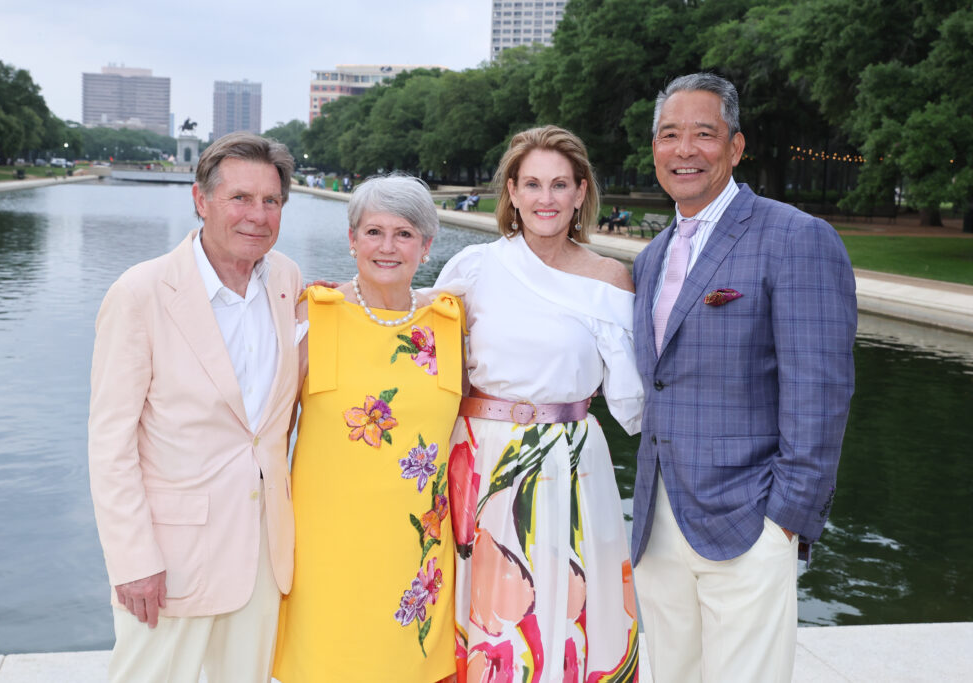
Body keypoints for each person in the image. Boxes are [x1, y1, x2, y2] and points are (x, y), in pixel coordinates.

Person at [630, 73, 857, 682]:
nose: (684, 149)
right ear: (654, 148)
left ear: (735, 147)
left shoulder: (797, 238)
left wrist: (785, 520)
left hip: (750, 519)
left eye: (703, 134)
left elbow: (820, 393)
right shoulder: (650, 258)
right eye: (669, 134)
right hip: (658, 521)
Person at [88, 132, 302, 683]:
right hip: (170, 558)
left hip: (264, 551)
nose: (257, 215)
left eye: (271, 200)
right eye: (240, 198)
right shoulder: (140, 293)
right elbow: (110, 446)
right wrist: (133, 560)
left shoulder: (286, 279)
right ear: (200, 200)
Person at [435, 125, 644, 681]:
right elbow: (428, 356)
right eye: (531, 184)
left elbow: (633, 400)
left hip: (571, 463)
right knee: (490, 610)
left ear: (580, 192)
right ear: (512, 191)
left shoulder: (609, 280)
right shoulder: (475, 267)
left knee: (569, 604)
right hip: (481, 459)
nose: (544, 199)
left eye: (559, 184)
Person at [271, 174, 463, 682]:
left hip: (413, 552)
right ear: (352, 239)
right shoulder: (313, 315)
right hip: (325, 548)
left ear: (426, 246)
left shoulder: (451, 324)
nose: (387, 247)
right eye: (374, 232)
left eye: (404, 234)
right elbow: (269, 434)